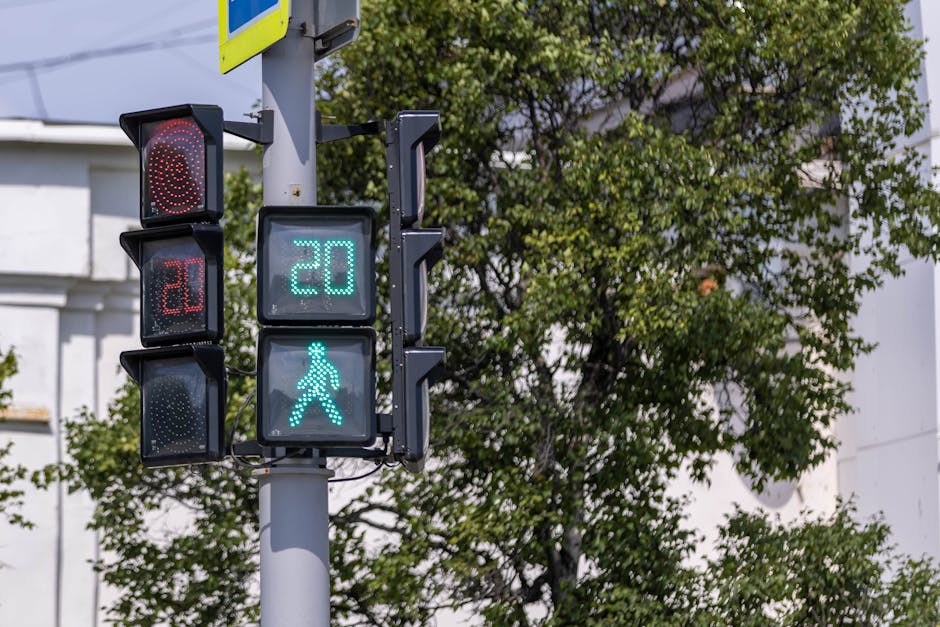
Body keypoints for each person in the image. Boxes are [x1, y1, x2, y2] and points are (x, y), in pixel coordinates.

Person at [289, 341, 344, 427]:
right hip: (313, 390)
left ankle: (337, 421)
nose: (315, 355)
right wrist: (302, 383)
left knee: (329, 406)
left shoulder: (324, 364)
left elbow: (332, 372)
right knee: (302, 403)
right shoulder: (314, 364)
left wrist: (335, 384)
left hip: (320, 390)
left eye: (316, 352)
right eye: (313, 353)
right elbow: (310, 375)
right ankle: (294, 421)